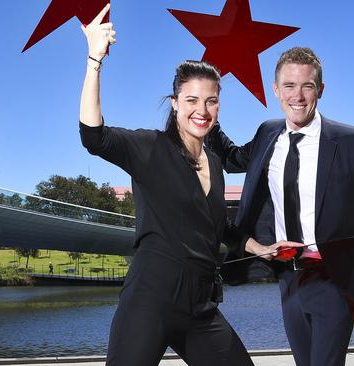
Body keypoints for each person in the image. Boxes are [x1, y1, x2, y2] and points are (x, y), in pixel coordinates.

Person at [78, 5, 298, 365]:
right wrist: (94, 60)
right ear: (175, 103)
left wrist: (263, 249)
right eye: (192, 100)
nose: (203, 110)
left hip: (201, 308)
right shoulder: (150, 149)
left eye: (211, 101)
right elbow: (93, 136)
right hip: (149, 302)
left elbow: (219, 227)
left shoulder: (214, 161)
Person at [206, 47, 354, 366]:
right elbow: (231, 159)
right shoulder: (268, 134)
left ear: (320, 90)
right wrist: (208, 116)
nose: (297, 96)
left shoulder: (352, 142)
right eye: (289, 86)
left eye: (307, 86)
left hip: (334, 277)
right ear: (275, 89)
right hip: (287, 277)